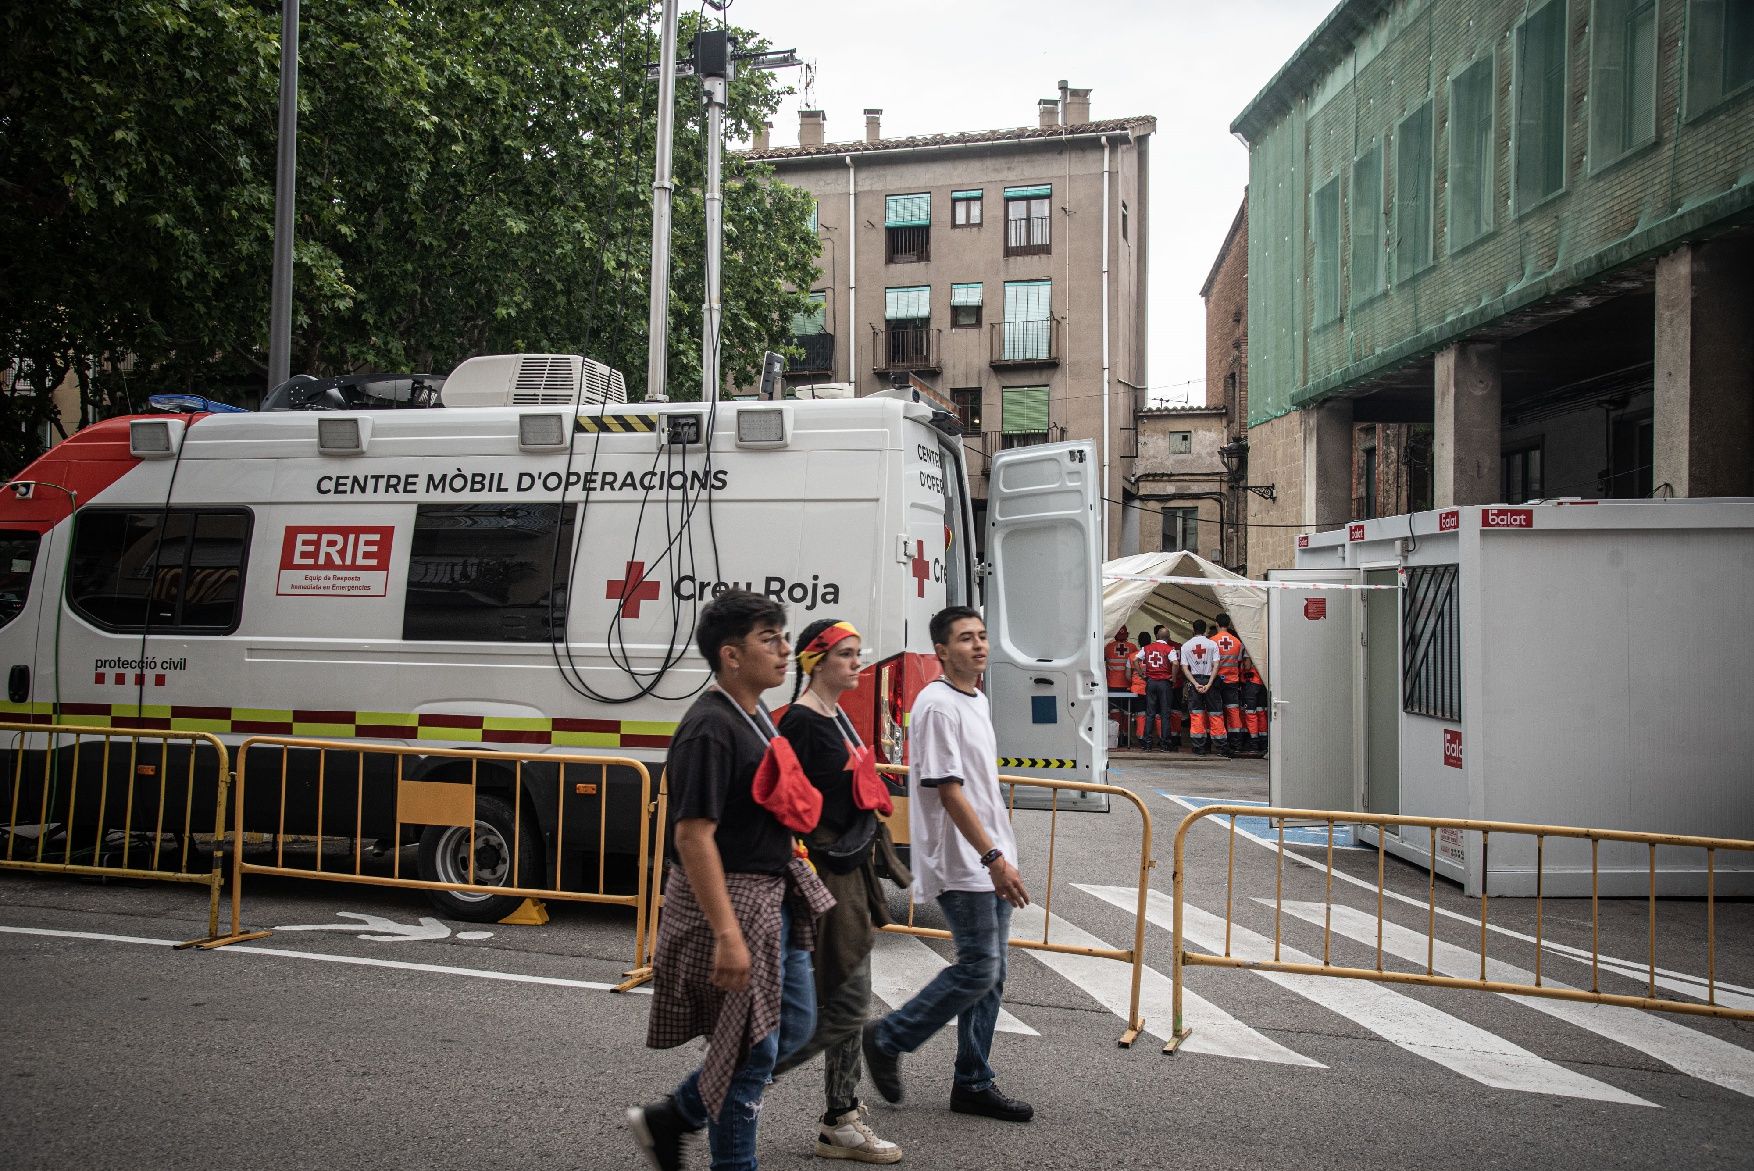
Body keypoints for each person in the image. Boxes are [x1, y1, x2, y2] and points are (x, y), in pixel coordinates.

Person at [629, 590, 834, 1171]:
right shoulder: (710, 728)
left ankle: (673, 1117)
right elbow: (693, 836)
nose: (785, 649)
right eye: (769, 639)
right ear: (731, 655)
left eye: (783, 636)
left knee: (794, 1027)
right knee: (750, 1054)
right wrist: (727, 934)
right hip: (736, 904)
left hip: (774, 897)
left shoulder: (755, 716)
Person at [861, 606, 1034, 1123]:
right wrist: (993, 857)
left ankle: (973, 1081)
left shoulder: (975, 699)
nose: (978, 645)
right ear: (941, 650)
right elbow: (949, 791)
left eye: (982, 636)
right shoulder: (937, 706)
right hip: (964, 859)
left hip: (989, 855)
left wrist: (1002, 851)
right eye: (965, 638)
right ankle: (888, 1037)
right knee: (980, 966)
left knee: (991, 973)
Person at [772, 618, 910, 1165]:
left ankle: (840, 1115)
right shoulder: (801, 722)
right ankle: (727, 1089)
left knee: (845, 997)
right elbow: (783, 802)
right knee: (847, 1000)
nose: (858, 662)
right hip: (825, 871)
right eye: (846, 654)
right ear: (815, 661)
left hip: (850, 868)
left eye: (857, 652)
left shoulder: (837, 716)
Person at [1180, 619, 1225, 756]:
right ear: (1205, 630)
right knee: (1215, 714)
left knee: (1197, 714)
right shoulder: (1212, 644)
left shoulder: (1186, 646)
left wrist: (1195, 684)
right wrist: (1209, 683)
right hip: (1210, 680)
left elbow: (1184, 668)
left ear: (1193, 630)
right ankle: (1221, 747)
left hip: (1195, 681)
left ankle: (1199, 747)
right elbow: (1216, 665)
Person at [1138, 625, 1179, 752]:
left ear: (1156, 636)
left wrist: (1141, 674)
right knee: (1165, 713)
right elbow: (1175, 663)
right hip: (1164, 683)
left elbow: (1135, 659)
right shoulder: (1169, 649)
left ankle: (1147, 743)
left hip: (1151, 682)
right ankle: (1165, 744)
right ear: (1168, 637)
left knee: (1150, 713)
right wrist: (1173, 678)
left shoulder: (1146, 648)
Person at [1212, 613, 1247, 758]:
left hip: (1216, 680)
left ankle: (1221, 742)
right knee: (1233, 710)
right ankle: (1236, 742)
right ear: (1229, 623)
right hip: (1232, 680)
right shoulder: (1237, 642)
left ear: (1216, 623)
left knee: (1217, 712)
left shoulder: (1212, 641)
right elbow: (1239, 662)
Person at [1239, 652, 1268, 758]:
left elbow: (1247, 665)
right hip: (1262, 683)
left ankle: (1253, 743)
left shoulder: (1249, 646)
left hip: (1251, 683)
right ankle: (1264, 742)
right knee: (1261, 713)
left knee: (1250, 714)